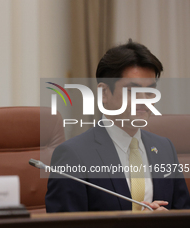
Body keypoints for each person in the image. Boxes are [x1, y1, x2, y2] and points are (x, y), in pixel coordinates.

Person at [45, 40, 190, 212]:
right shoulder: (73, 155)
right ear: (104, 93)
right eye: (131, 90)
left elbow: (183, 215)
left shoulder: (165, 148)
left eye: (151, 91)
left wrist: (168, 222)